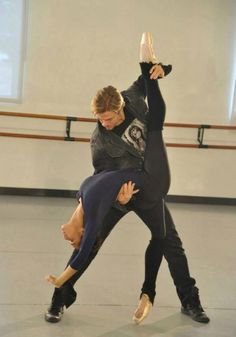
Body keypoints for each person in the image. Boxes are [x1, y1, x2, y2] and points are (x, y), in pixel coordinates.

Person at [45, 32, 210, 325]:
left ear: (120, 107)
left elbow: (148, 72)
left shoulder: (131, 97)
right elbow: (100, 177)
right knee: (91, 242)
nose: (104, 124)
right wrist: (118, 196)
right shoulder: (100, 140)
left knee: (171, 243)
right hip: (120, 193)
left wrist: (164, 69)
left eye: (108, 118)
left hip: (149, 186)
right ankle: (61, 296)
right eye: (100, 119)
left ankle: (190, 300)